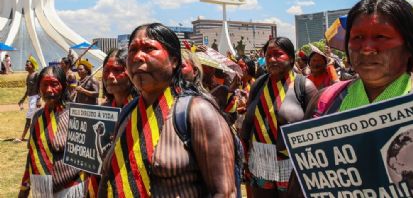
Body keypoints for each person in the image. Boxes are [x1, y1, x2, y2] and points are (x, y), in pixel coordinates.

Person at [289, 0, 413, 197]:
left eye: (381, 37)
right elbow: (300, 183)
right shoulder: (326, 100)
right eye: (357, 37)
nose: (367, 48)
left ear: (409, 45)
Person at [98, 23, 236, 197]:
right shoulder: (127, 113)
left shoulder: (197, 112)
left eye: (149, 48)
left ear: (174, 60)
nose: (138, 57)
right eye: (133, 49)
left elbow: (224, 192)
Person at [240, 37, 317, 198]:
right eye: (268, 55)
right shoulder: (258, 85)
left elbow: (315, 130)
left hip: (291, 162)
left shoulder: (304, 87)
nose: (272, 59)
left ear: (291, 58)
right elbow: (248, 122)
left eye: (278, 54)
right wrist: (245, 156)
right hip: (260, 161)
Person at [18, 66, 86, 197]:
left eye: (54, 84)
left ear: (63, 86)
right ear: (39, 88)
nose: (49, 90)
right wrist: (23, 190)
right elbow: (32, 156)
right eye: (44, 85)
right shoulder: (38, 117)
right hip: (43, 190)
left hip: (71, 190)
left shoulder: (75, 114)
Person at [86, 48, 138, 197]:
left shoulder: (141, 109)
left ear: (131, 72)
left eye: (117, 70)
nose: (110, 76)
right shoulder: (102, 111)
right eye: (106, 70)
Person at [18, 56, 41, 141]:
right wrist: (23, 99)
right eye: (26, 65)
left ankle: (22, 137)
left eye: (27, 65)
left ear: (32, 66)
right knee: (34, 118)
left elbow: (40, 87)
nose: (26, 66)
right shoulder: (28, 75)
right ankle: (35, 136)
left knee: (29, 118)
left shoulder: (36, 75)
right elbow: (28, 90)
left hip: (35, 99)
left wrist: (39, 99)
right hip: (31, 98)